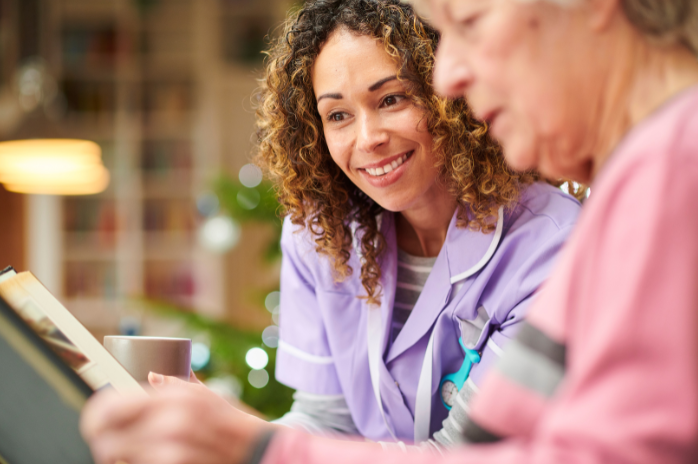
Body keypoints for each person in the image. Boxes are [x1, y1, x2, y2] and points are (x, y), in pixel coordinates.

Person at [81, 0, 698, 462]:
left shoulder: (612, 208)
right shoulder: (640, 181)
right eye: (338, 115)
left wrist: (258, 448)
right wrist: (231, 436)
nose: (453, 73)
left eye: (471, 23)